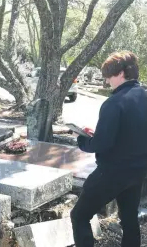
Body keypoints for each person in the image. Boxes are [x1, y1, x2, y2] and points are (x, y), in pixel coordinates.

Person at [70, 51, 147, 247]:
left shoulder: (114, 103)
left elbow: (101, 144)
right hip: (138, 171)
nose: (106, 81)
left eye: (109, 76)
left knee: (79, 215)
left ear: (121, 73)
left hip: (112, 172)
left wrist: (82, 140)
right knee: (129, 219)